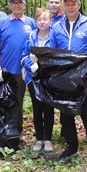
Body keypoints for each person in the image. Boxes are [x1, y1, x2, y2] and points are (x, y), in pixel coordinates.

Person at [48, 0, 87, 166]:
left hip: (84, 77)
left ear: (79, 5)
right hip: (64, 78)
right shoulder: (57, 27)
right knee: (66, 114)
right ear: (64, 6)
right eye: (67, 4)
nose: (70, 7)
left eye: (73, 4)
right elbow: (52, 49)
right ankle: (71, 146)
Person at [0, 0, 36, 139]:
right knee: (3, 100)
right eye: (13, 3)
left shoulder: (30, 23)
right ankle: (1, 131)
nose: (16, 5)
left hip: (23, 70)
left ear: (24, 5)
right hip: (5, 70)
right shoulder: (2, 22)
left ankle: (16, 132)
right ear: (9, 5)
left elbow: (36, 44)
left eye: (19, 3)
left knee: (18, 100)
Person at [21, 8, 54, 152]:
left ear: (50, 21)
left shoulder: (55, 36)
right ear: (35, 21)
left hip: (49, 78)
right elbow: (23, 57)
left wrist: (46, 65)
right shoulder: (30, 37)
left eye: (45, 19)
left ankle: (48, 139)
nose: (42, 22)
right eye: (39, 19)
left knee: (49, 108)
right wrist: (31, 65)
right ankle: (39, 139)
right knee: (37, 107)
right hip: (33, 78)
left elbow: (59, 56)